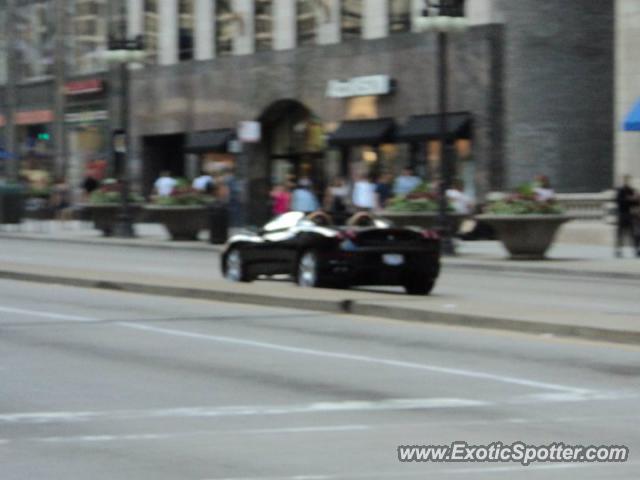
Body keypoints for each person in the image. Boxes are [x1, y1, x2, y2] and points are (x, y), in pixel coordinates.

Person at [615, 175, 640, 258]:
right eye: (626, 180)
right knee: (621, 235)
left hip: (630, 215)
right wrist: (630, 199)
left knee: (634, 234)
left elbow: (636, 202)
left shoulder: (631, 190)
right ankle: (618, 251)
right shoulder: (620, 191)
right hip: (622, 214)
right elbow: (619, 202)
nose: (627, 182)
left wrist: (635, 198)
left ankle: (636, 250)